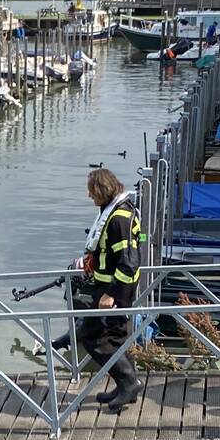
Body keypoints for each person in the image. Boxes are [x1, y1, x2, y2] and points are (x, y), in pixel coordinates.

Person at [80, 168, 143, 412]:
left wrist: (111, 294)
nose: (89, 196)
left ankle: (128, 383)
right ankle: (127, 385)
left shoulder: (118, 219)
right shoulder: (117, 212)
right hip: (110, 286)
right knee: (116, 338)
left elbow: (129, 261)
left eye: (91, 191)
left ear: (101, 190)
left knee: (93, 336)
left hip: (114, 290)